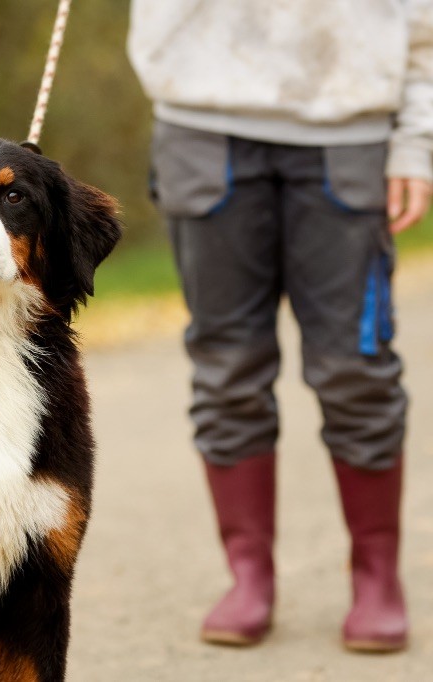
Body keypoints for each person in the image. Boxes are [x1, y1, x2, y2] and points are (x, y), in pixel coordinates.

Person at [127, 1, 432, 652]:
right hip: (199, 125)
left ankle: (377, 576)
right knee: (227, 365)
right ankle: (249, 577)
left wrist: (416, 139)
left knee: (357, 366)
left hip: (347, 126)